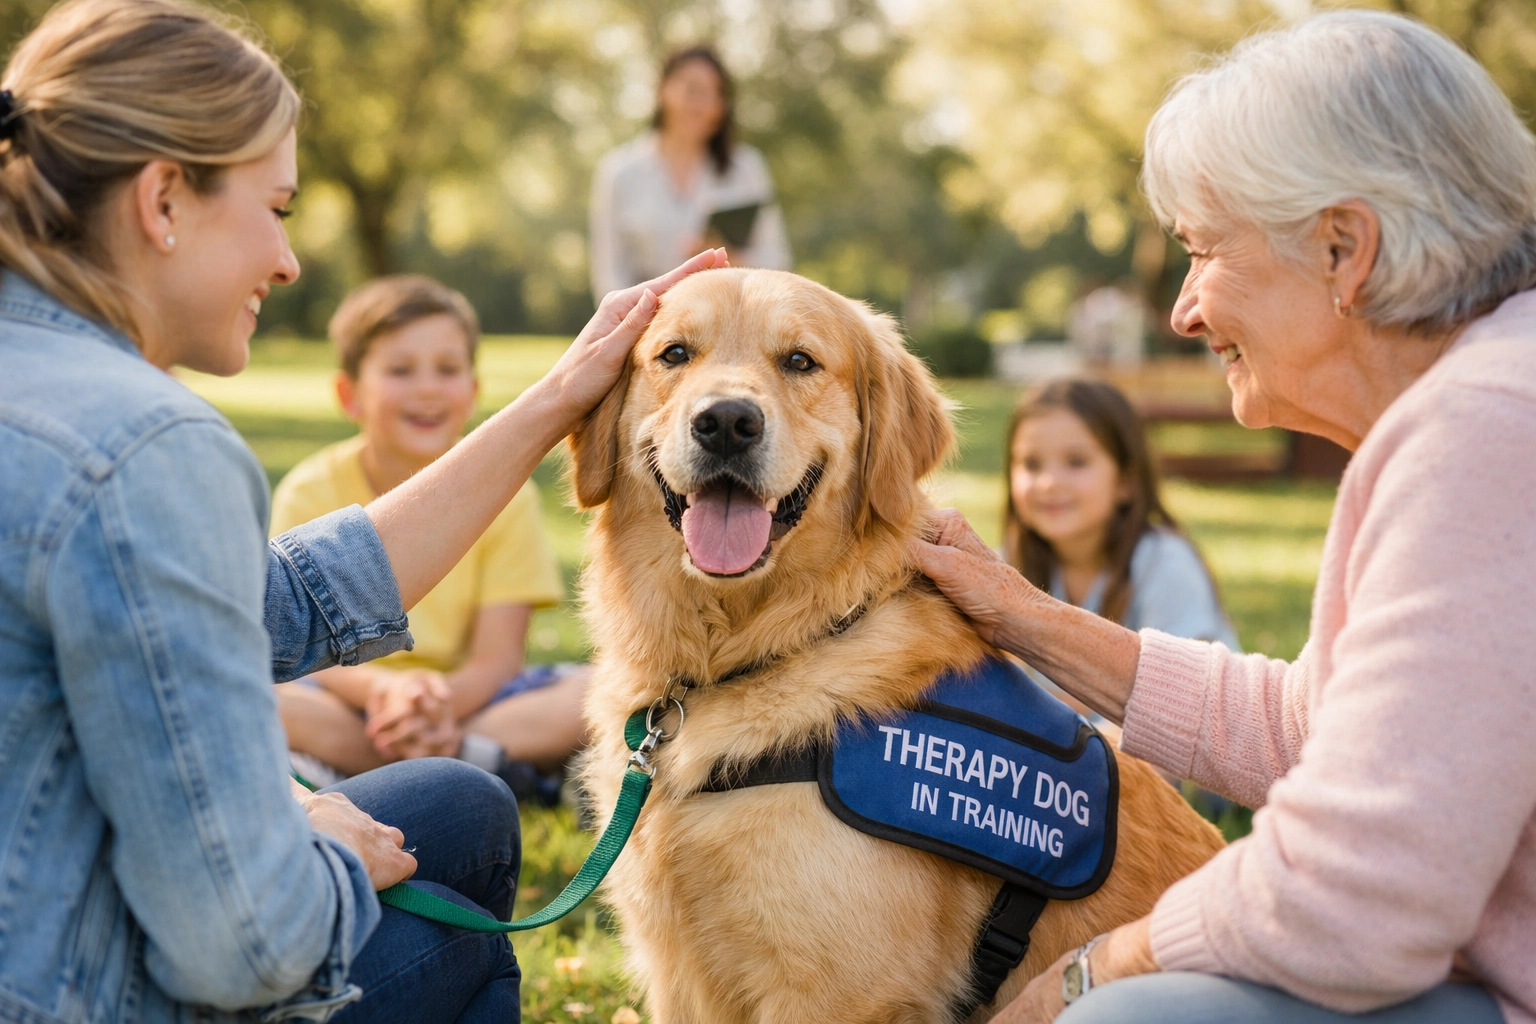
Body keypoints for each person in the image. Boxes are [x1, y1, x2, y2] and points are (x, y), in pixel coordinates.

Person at [0, 3, 726, 1022]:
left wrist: (560, 394)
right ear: (165, 198)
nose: (290, 261)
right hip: (63, 989)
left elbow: (283, 598)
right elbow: (241, 948)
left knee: (458, 806)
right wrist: (327, 856)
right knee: (444, 907)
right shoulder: (145, 447)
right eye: (278, 208)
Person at [914, 11, 1533, 1024]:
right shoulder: (1490, 396)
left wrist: (1100, 966)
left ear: (1344, 249)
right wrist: (1019, 613)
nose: (1185, 310)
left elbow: (1358, 899)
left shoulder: (1488, 431)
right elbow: (1325, 728)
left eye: (1205, 252)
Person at [272, 275, 582, 805]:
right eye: (399, 370)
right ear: (350, 396)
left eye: (448, 369)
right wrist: (386, 693)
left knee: (602, 692)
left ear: (473, 389)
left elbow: (497, 658)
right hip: (346, 694)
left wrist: (437, 704)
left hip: (469, 700)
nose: (427, 388)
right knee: (254, 695)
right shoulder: (311, 488)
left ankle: (364, 769)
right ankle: (475, 764)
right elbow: (290, 636)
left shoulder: (509, 494)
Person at [1004, 378, 1237, 649]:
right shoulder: (1008, 567)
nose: (1049, 482)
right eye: (1031, 464)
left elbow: (1188, 684)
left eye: (1076, 462)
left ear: (1125, 481)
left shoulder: (1165, 565)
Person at [589, 45, 789, 300]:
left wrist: (731, 261)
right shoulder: (619, 173)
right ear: (662, 90)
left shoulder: (747, 168)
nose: (704, 105)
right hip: (650, 327)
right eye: (693, 90)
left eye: (715, 93)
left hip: (732, 319)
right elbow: (610, 278)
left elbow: (778, 262)